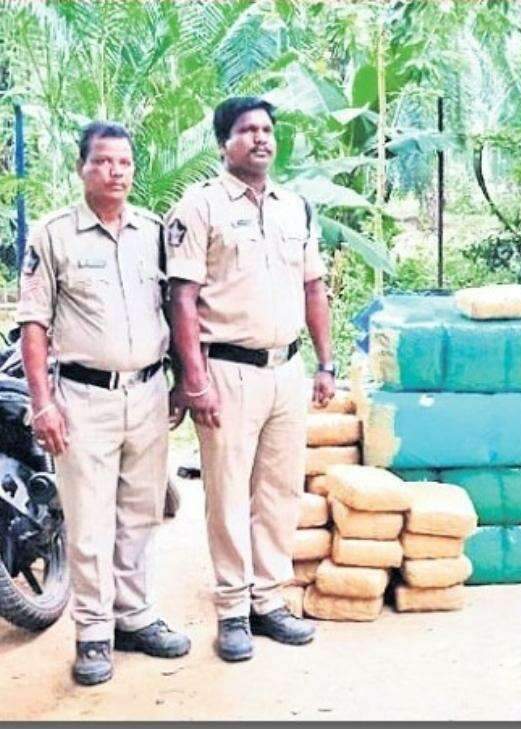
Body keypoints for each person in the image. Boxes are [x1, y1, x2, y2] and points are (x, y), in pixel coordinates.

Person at [16, 121, 190, 686]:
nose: (116, 172)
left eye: (125, 163)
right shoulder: (54, 235)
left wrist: (181, 380)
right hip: (83, 398)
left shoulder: (153, 232)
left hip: (148, 393)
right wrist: (43, 404)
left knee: (141, 511)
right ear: (82, 168)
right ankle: (93, 634)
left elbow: (174, 308)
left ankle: (133, 616)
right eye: (103, 162)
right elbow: (34, 324)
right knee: (89, 520)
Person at [166, 96, 335, 662]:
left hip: (287, 370)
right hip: (227, 371)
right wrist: (194, 380)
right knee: (227, 493)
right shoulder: (200, 207)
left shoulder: (295, 208)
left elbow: (314, 288)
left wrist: (325, 363)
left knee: (280, 491)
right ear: (224, 143)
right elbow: (182, 298)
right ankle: (232, 609)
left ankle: (268, 600)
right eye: (247, 130)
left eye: (267, 129)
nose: (261, 138)